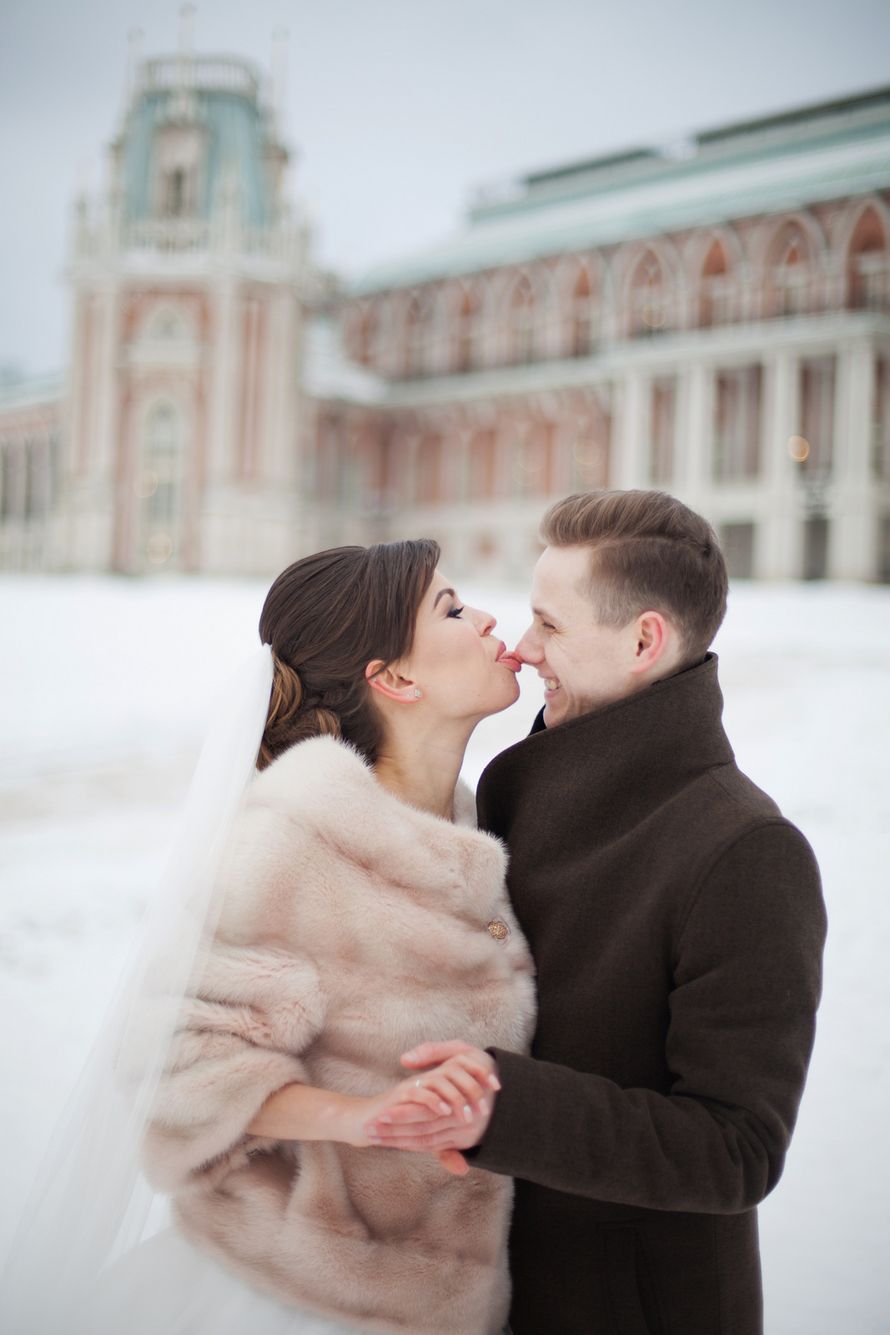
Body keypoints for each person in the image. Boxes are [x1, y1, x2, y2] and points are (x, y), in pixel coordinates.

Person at [1, 540, 535, 1335]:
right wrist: (362, 1115)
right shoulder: (295, 838)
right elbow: (176, 1067)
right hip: (294, 1301)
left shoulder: (472, 828)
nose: (489, 617)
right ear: (394, 676)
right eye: (452, 608)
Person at [368, 491, 828, 1335]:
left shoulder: (747, 850)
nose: (520, 645)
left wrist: (503, 1107)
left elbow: (737, 1148)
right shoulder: (512, 789)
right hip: (477, 1290)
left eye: (550, 625)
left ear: (644, 641)